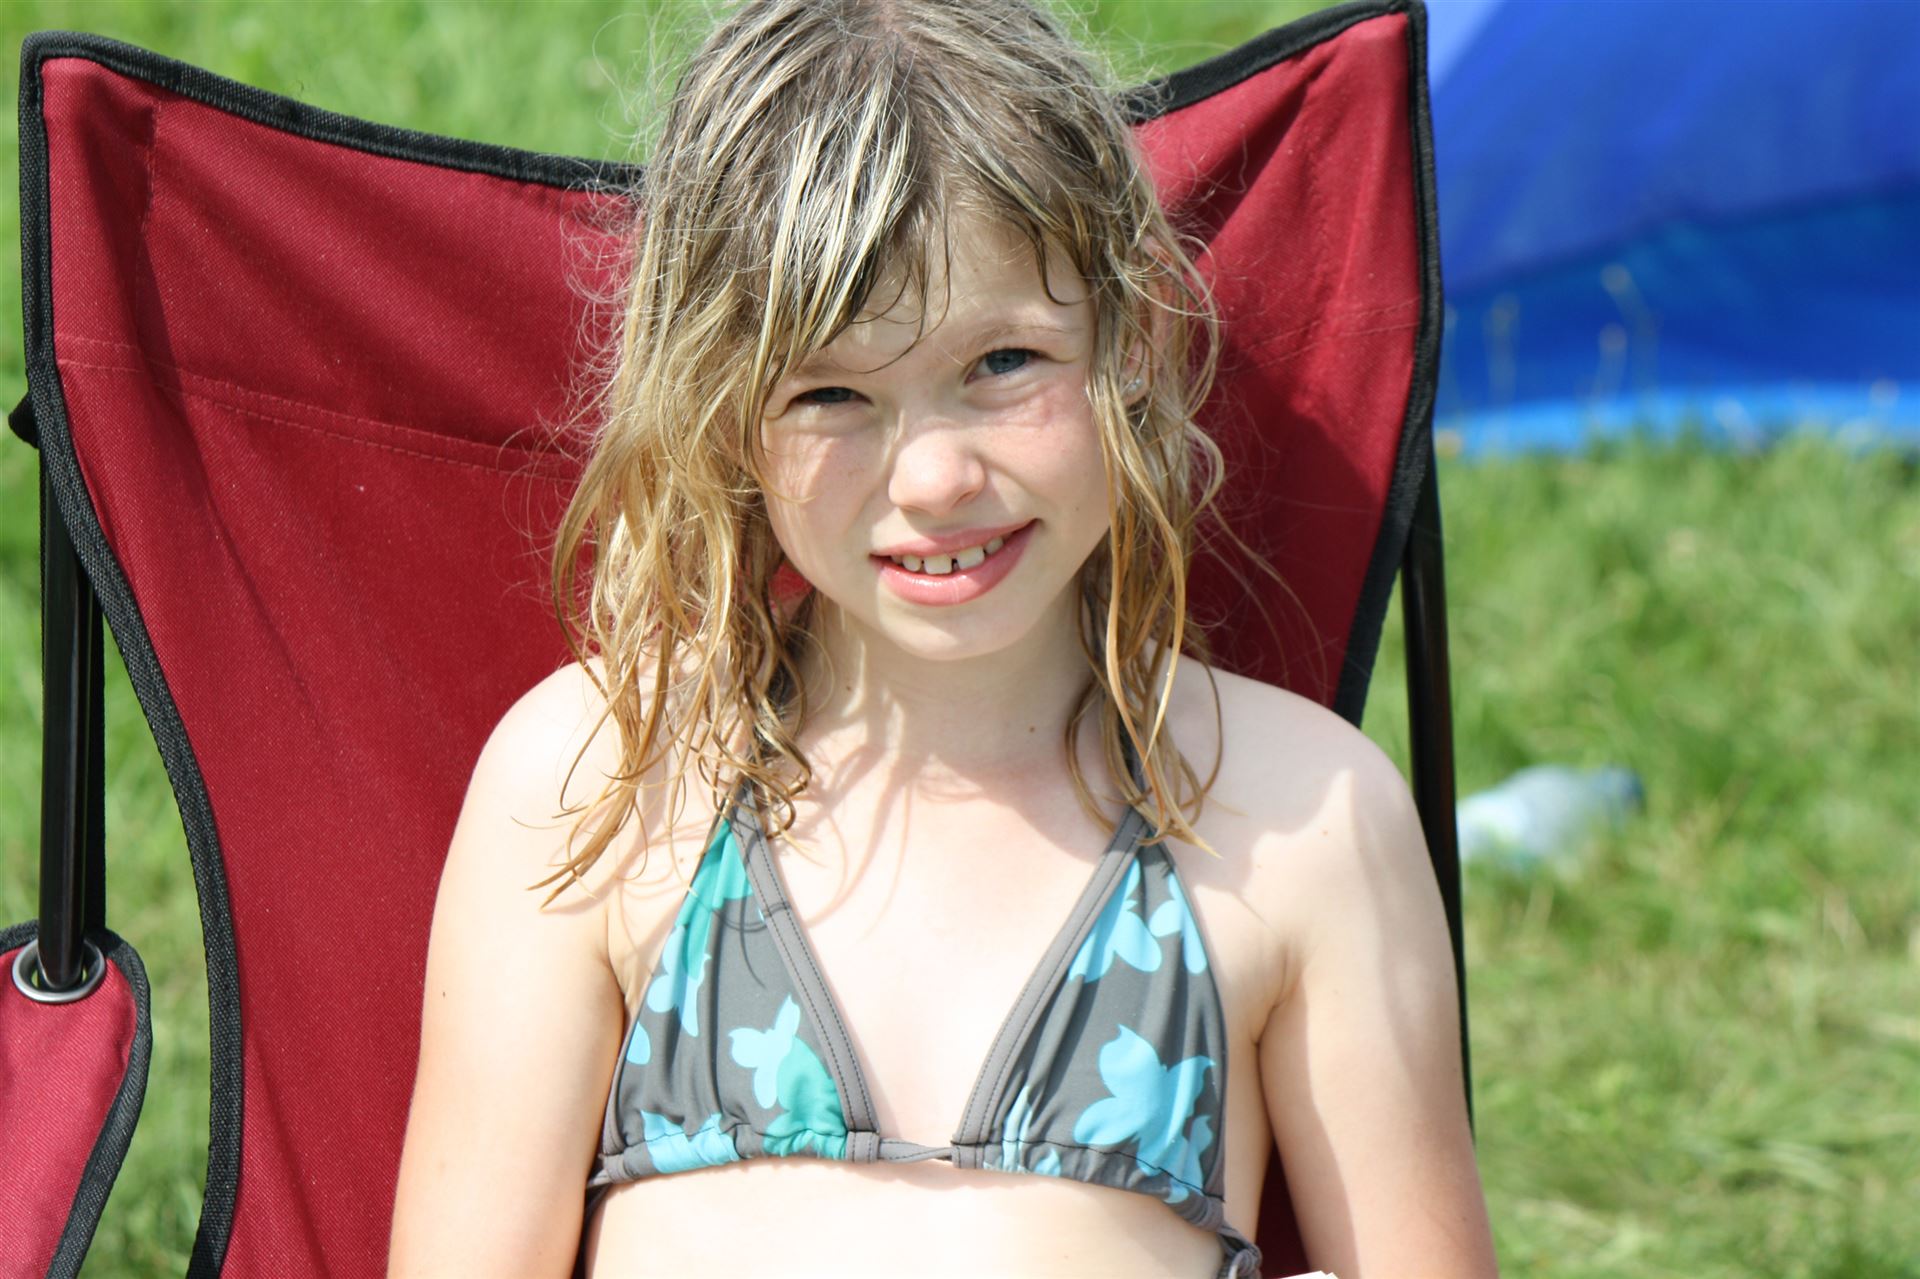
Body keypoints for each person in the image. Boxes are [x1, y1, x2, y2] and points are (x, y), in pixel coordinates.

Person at [388, 1, 1498, 1275]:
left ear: (1132, 342)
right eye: (830, 392)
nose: (932, 478)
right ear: (720, 413)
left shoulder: (1300, 821)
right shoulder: (604, 782)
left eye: (1003, 363)